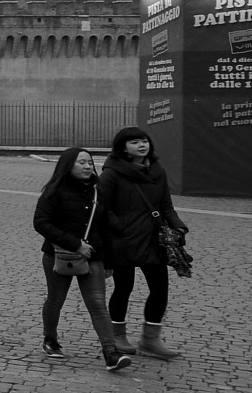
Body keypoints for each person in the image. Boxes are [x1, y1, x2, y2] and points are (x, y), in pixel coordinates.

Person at [93, 126, 191, 361]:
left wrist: (177, 225)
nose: (141, 145)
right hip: (122, 241)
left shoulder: (157, 170)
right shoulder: (112, 173)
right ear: (123, 148)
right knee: (123, 287)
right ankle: (117, 336)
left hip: (152, 239)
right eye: (135, 142)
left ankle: (150, 340)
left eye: (144, 141)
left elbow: (166, 204)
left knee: (160, 289)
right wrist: (121, 227)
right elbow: (101, 208)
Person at [33, 146, 129, 369]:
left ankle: (110, 352)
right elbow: (41, 223)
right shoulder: (54, 191)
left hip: (93, 255)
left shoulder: (97, 192)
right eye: (81, 162)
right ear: (68, 165)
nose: (87, 166)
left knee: (97, 304)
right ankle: (50, 339)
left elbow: (104, 229)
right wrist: (75, 245)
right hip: (58, 254)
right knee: (56, 299)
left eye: (90, 162)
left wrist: (108, 261)